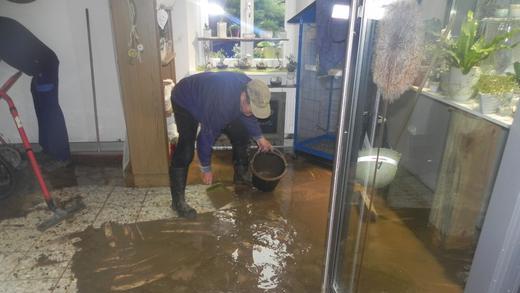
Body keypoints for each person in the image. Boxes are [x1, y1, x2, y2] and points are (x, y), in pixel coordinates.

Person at [170, 71, 273, 219]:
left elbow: (249, 116)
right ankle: (177, 202)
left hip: (209, 96)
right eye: (252, 110)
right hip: (186, 98)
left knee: (241, 132)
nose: (253, 113)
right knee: (186, 148)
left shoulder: (253, 88)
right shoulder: (222, 106)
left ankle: (241, 176)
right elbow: (205, 137)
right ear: (243, 97)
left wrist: (259, 138)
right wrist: (206, 168)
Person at [0, 17, 70, 170]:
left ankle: (61, 156)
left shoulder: (2, 26)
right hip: (38, 68)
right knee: (42, 110)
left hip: (43, 66)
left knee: (50, 112)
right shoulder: (3, 23)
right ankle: (48, 150)